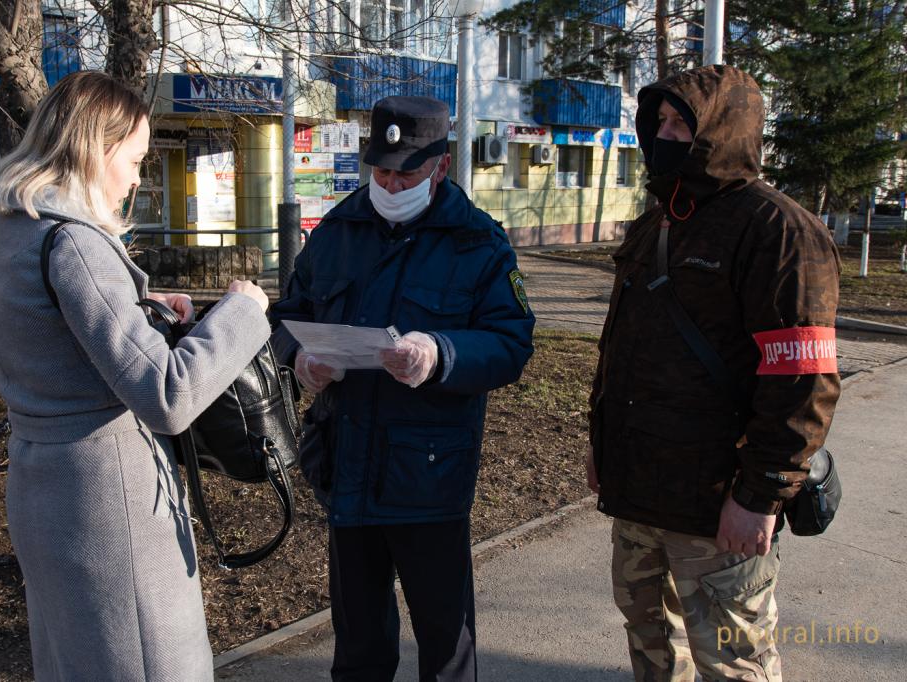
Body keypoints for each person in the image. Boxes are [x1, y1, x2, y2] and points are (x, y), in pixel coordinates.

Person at [0, 71, 271, 681]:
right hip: (110, 503)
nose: (138, 177)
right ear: (93, 149)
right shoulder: (74, 243)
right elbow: (168, 394)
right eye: (133, 159)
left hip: (44, 486)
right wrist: (242, 312)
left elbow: (54, 338)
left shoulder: (9, 232)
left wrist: (142, 308)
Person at [587, 64, 841, 680]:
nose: (666, 135)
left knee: (733, 665)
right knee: (652, 654)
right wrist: (602, 447)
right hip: (640, 494)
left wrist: (759, 496)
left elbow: (802, 379)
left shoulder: (777, 229)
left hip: (718, 508)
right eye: (661, 122)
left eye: (682, 123)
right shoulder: (658, 223)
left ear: (723, 131)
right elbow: (622, 350)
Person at [270, 95, 535, 681]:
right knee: (358, 650)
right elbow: (286, 314)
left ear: (440, 167)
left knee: (445, 647)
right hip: (347, 468)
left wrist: (441, 354)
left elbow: (512, 343)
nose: (389, 183)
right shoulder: (340, 229)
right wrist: (300, 358)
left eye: (405, 172)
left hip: (428, 478)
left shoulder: (478, 244)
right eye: (381, 170)